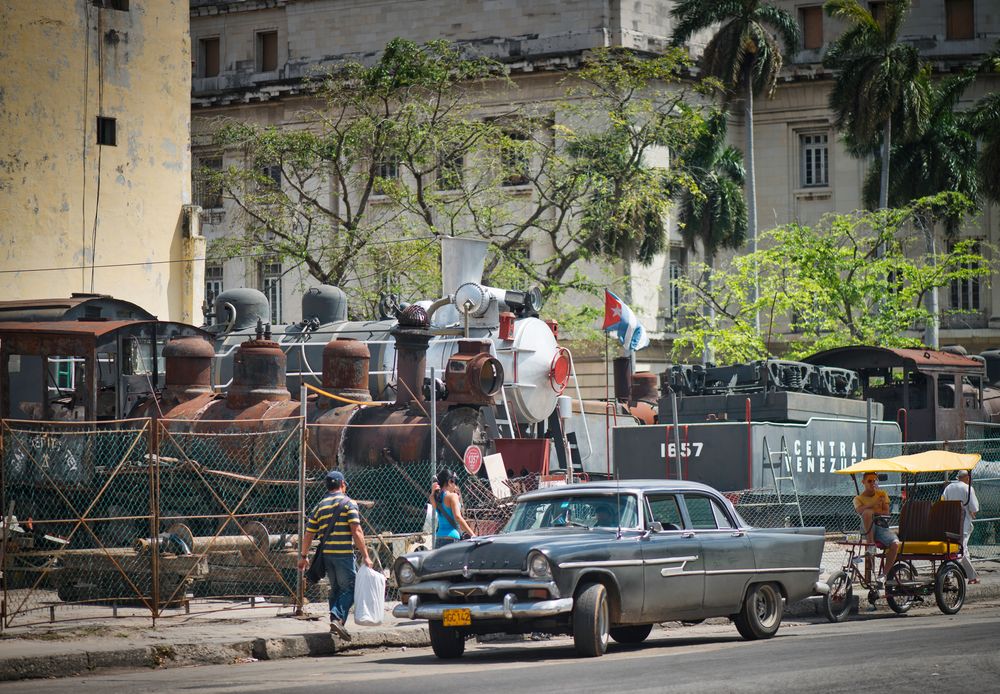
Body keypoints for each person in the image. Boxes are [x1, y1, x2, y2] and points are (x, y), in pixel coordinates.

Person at [297, 470, 373, 641]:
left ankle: (335, 624)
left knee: (337, 589)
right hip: (343, 554)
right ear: (343, 485)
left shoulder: (320, 506)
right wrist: (366, 555)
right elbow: (357, 530)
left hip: (327, 556)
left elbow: (308, 534)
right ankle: (337, 617)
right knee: (352, 588)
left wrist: (303, 556)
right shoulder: (349, 503)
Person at [854, 472, 901, 583]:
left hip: (881, 527)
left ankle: (883, 575)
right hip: (867, 527)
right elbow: (860, 511)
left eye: (875, 480)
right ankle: (871, 545)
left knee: (895, 543)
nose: (872, 483)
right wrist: (874, 504)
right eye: (870, 481)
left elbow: (886, 512)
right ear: (863, 482)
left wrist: (871, 510)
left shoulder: (882, 494)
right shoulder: (858, 498)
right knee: (867, 513)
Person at [942, 469, 980, 584]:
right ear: (967, 477)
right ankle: (947, 575)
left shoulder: (948, 488)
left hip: (950, 524)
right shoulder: (968, 488)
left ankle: (972, 576)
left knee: (964, 550)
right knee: (960, 551)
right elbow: (974, 508)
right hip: (963, 525)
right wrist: (971, 513)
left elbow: (943, 502)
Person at [431, 469, 475, 548]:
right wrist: (472, 534)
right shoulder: (453, 496)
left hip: (439, 538)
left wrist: (432, 491)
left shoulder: (434, 497)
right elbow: (457, 517)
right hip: (452, 538)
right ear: (449, 482)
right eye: (455, 482)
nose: (455, 485)